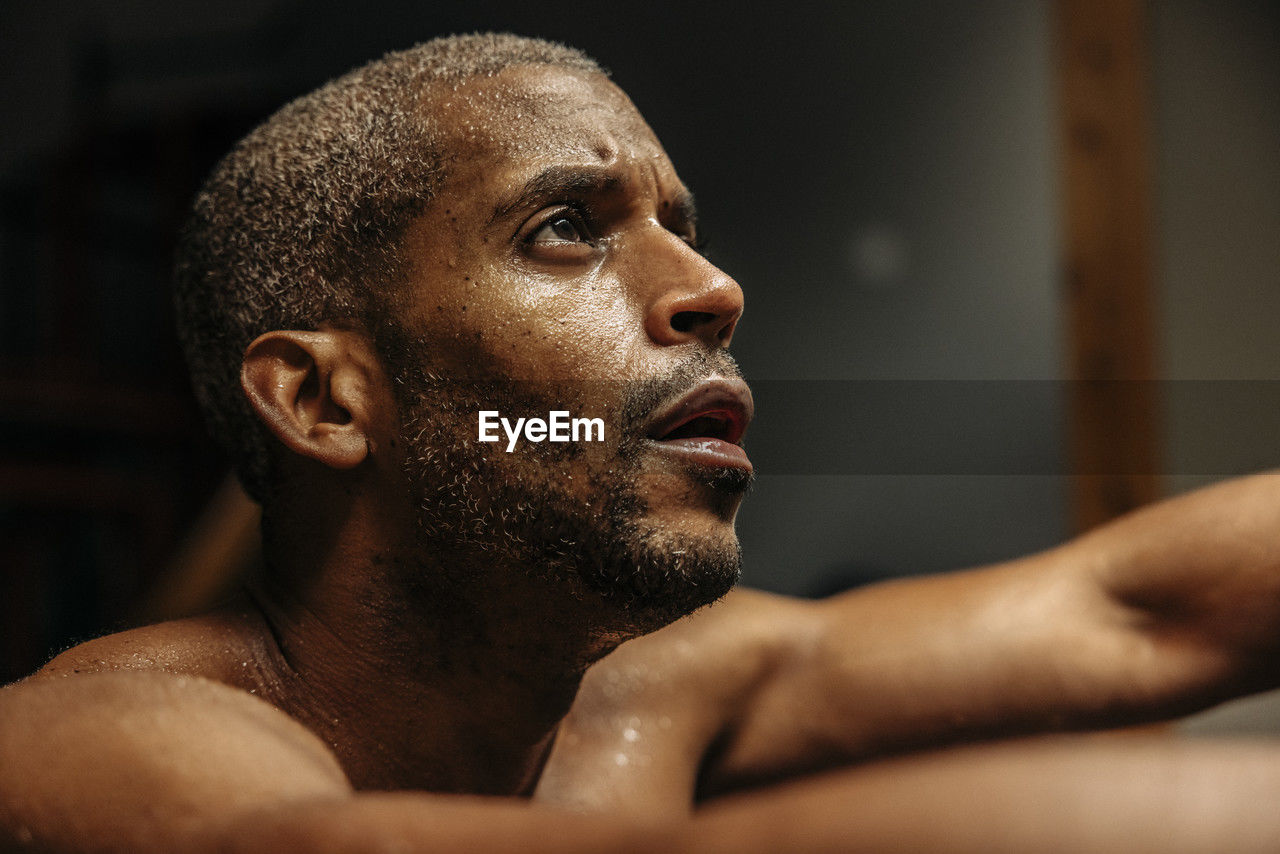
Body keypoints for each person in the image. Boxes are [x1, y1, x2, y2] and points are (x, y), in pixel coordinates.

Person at [3, 32, 1280, 853]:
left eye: (682, 224)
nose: (712, 287)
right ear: (329, 403)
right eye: (565, 226)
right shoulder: (110, 731)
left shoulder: (646, 689)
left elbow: (1132, 611)